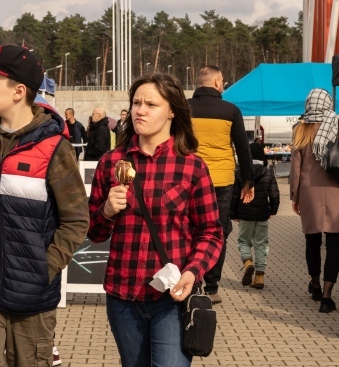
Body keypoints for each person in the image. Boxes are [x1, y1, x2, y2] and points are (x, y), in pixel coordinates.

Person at [0, 44, 89, 366]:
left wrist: (45, 268)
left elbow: (77, 220)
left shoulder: (55, 148)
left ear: (18, 91)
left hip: (34, 299)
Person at [87, 73, 223, 367]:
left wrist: (193, 272)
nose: (140, 110)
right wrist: (107, 211)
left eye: (151, 104)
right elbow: (94, 233)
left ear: (172, 110)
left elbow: (211, 232)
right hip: (123, 295)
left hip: (171, 298)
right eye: (136, 103)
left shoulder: (191, 166)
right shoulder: (111, 162)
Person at [289, 88, 339, 313]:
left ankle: (315, 284)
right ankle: (328, 297)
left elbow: (295, 168)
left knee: (312, 241)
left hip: (309, 191)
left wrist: (295, 195)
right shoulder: (337, 124)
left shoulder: (300, 129)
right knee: (333, 244)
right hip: (337, 191)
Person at [188, 65, 254, 304]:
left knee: (189, 229)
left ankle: (191, 281)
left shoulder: (184, 108)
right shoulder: (231, 110)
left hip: (189, 179)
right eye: (223, 80)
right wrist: (249, 181)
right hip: (221, 180)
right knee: (217, 231)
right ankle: (212, 287)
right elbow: (243, 149)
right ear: (217, 82)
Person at [231, 143, 279, 289]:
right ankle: (259, 278)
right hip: (262, 215)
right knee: (261, 244)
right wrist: (273, 210)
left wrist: (233, 213)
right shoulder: (268, 172)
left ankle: (248, 263)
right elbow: (274, 194)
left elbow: (234, 196)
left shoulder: (240, 172)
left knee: (243, 241)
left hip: (245, 214)